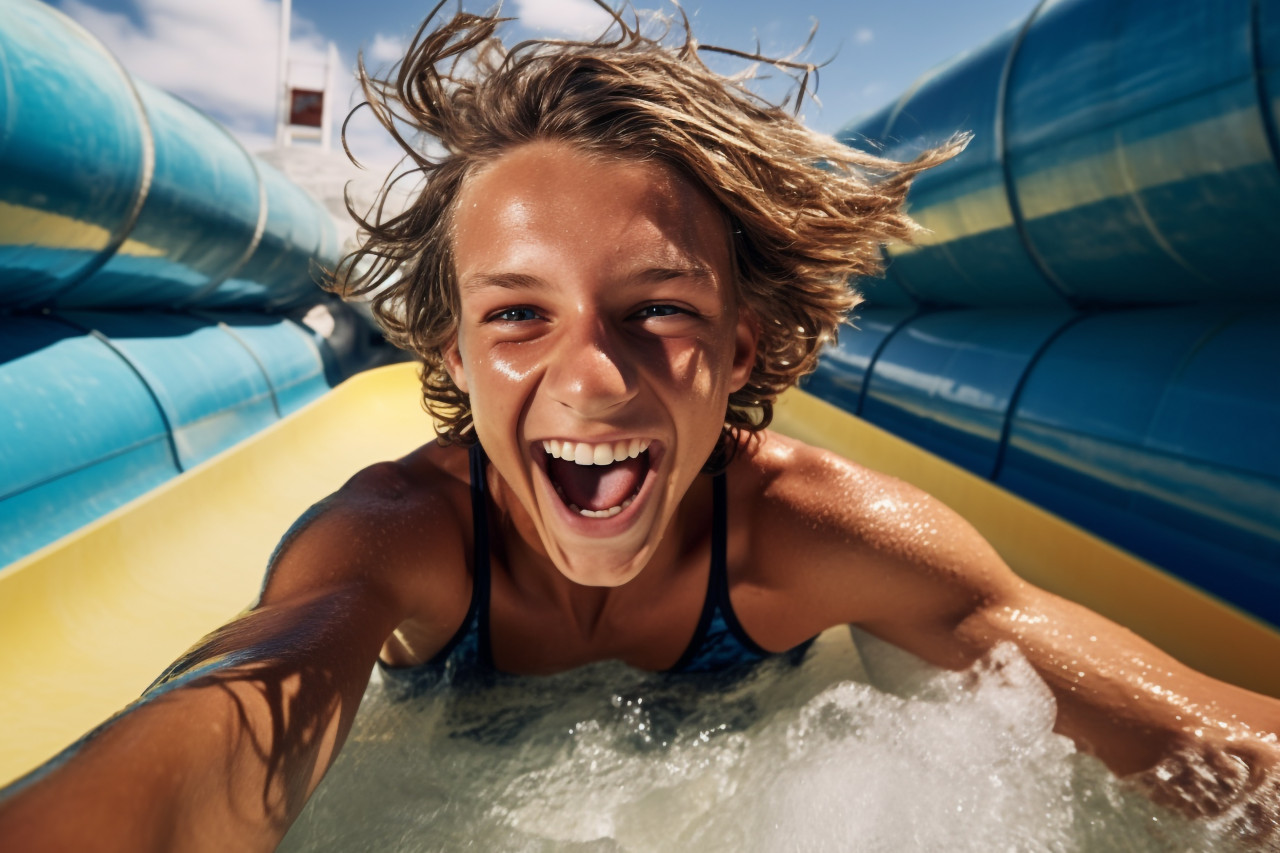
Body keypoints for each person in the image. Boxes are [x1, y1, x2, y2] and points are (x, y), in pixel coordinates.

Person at [2, 3, 1278, 850]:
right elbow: (222, 731)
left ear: (736, 349)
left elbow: (1201, 741)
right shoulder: (392, 542)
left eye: (654, 309)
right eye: (517, 316)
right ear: (450, 354)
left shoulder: (807, 531)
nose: (592, 377)